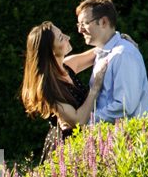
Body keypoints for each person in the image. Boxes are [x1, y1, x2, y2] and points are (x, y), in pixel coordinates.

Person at [19, 20, 111, 160]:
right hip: (65, 152)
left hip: (84, 144)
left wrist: (119, 40)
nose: (68, 37)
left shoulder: (67, 65)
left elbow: (100, 51)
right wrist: (95, 89)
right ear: (50, 51)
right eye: (61, 37)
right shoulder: (46, 88)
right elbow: (78, 121)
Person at [75, 0, 148, 122]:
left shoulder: (123, 54)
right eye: (78, 24)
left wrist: (86, 122)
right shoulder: (104, 52)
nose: (80, 30)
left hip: (123, 139)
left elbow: (124, 106)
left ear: (104, 22)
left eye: (84, 23)